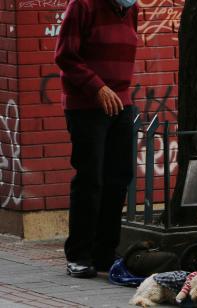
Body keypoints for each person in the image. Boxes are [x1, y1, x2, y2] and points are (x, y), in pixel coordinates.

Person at [54, 0, 139, 278]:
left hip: (122, 103)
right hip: (86, 105)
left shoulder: (131, 9)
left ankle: (105, 252)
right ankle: (79, 254)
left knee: (119, 178)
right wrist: (97, 87)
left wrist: (116, 93)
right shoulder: (83, 6)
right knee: (91, 179)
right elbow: (66, 56)